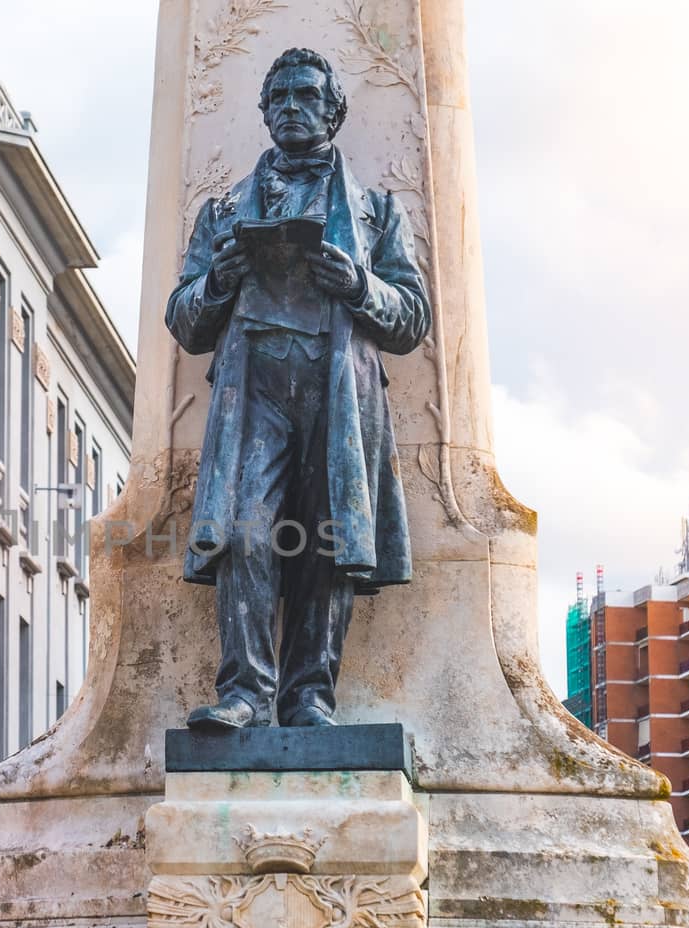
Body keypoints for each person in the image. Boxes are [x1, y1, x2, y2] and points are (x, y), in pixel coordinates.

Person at [166, 47, 432, 731]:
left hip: (338, 385)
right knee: (246, 530)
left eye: (307, 95)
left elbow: (412, 316)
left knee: (328, 538)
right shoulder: (223, 212)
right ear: (263, 111)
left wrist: (360, 286)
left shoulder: (376, 212)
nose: (291, 106)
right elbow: (186, 321)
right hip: (254, 383)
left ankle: (310, 694)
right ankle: (246, 692)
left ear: (334, 110)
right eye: (279, 96)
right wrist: (220, 280)